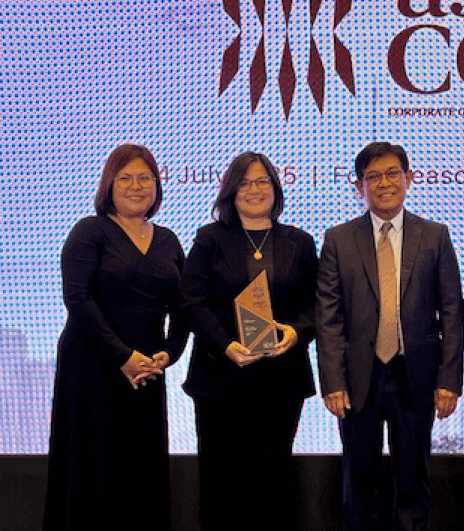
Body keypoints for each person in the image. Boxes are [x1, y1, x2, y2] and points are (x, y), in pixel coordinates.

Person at [316, 142, 464, 531]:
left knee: (412, 478)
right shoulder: (338, 239)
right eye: (373, 177)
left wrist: (449, 379)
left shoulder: (435, 236)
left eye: (392, 174)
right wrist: (332, 381)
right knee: (359, 478)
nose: (384, 183)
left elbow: (451, 312)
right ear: (358, 186)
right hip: (357, 377)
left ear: (409, 178)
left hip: (415, 374)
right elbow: (328, 318)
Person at [43, 144, 186, 531]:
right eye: (126, 178)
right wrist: (123, 356)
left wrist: (167, 355)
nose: (136, 186)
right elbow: (77, 298)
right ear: (109, 184)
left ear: (157, 186)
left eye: (146, 178)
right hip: (93, 366)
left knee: (141, 471)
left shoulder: (169, 240)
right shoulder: (90, 231)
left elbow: (183, 309)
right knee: (93, 469)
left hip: (145, 372)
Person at [180, 151, 317, 530]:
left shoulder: (300, 242)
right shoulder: (209, 239)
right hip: (219, 381)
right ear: (230, 191)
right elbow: (191, 302)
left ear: (275, 189)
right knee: (222, 485)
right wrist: (225, 344)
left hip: (280, 382)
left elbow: (316, 303)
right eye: (244, 182)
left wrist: (297, 332)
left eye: (263, 182)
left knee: (272, 482)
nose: (254, 190)